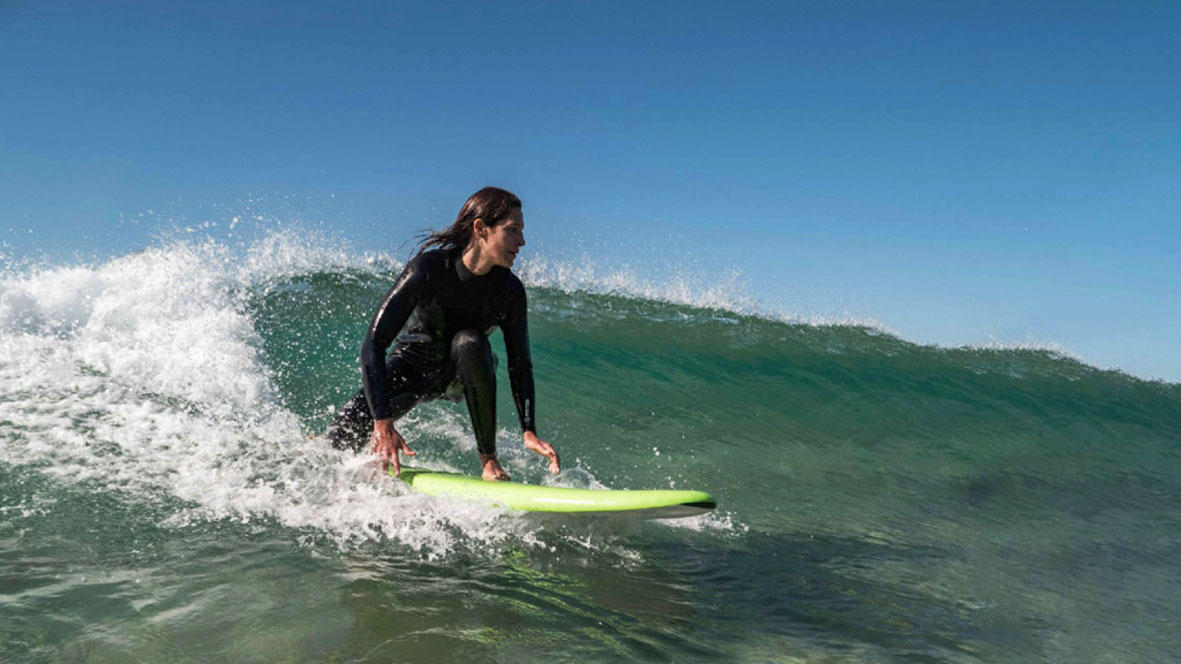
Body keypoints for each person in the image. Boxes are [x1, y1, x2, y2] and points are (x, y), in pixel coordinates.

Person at [327, 186, 560, 481]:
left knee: (469, 341)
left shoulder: (510, 291)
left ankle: (488, 461)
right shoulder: (428, 270)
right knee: (334, 442)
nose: (522, 241)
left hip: (458, 376)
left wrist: (529, 429)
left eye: (521, 231)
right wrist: (382, 422)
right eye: (512, 230)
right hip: (410, 370)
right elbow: (374, 343)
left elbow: (520, 364)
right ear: (481, 229)